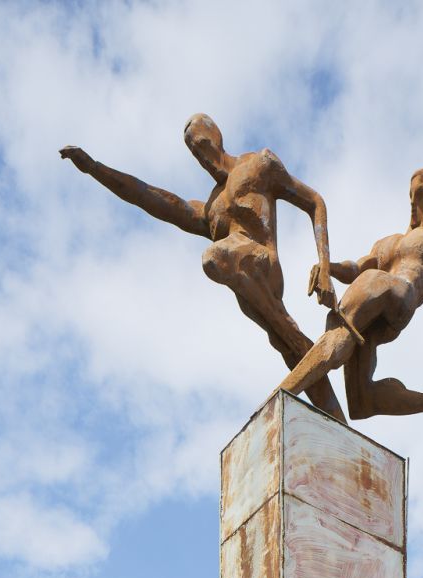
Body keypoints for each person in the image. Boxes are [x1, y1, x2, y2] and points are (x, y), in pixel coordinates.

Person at [60, 115, 345, 419]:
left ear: (216, 139)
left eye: (203, 145)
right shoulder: (211, 210)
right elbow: (148, 196)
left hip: (260, 261)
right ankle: (338, 420)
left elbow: (314, 201)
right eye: (195, 152)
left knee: (214, 258)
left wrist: (325, 268)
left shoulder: (259, 164)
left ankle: (286, 327)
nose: (202, 156)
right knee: (289, 347)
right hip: (244, 286)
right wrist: (94, 168)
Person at [279, 167, 423, 420]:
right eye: (410, 195)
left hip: (402, 295)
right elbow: (356, 268)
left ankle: (283, 392)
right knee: (360, 401)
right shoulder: (387, 242)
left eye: (420, 194)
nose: (413, 201)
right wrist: (327, 267)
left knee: (362, 296)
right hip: (376, 310)